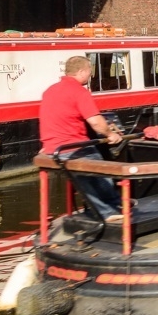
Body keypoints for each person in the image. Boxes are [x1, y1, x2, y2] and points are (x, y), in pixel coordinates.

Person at [39, 56, 125, 222]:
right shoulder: (79, 92)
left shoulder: (49, 91)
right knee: (102, 169)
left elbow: (50, 119)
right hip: (72, 148)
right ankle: (110, 209)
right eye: (89, 71)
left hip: (52, 149)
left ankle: (106, 207)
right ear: (81, 71)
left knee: (83, 176)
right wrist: (111, 134)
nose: (90, 75)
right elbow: (96, 122)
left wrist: (47, 144)